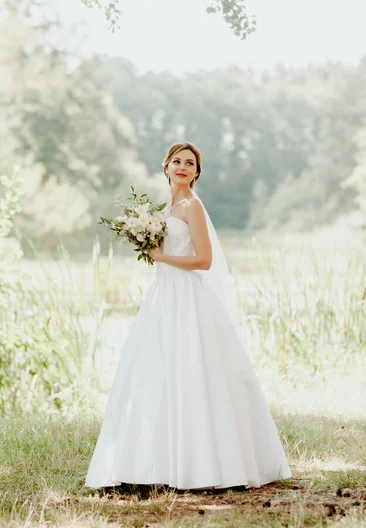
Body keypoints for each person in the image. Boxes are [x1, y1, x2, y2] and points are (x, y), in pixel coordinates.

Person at [85, 141, 292, 491]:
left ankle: (207, 466)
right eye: (177, 161)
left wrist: (161, 258)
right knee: (154, 374)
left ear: (196, 173)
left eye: (190, 163)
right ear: (165, 167)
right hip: (162, 297)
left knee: (195, 372)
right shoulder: (164, 209)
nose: (183, 166)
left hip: (188, 299)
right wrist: (149, 249)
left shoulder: (192, 207)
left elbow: (204, 260)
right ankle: (150, 465)